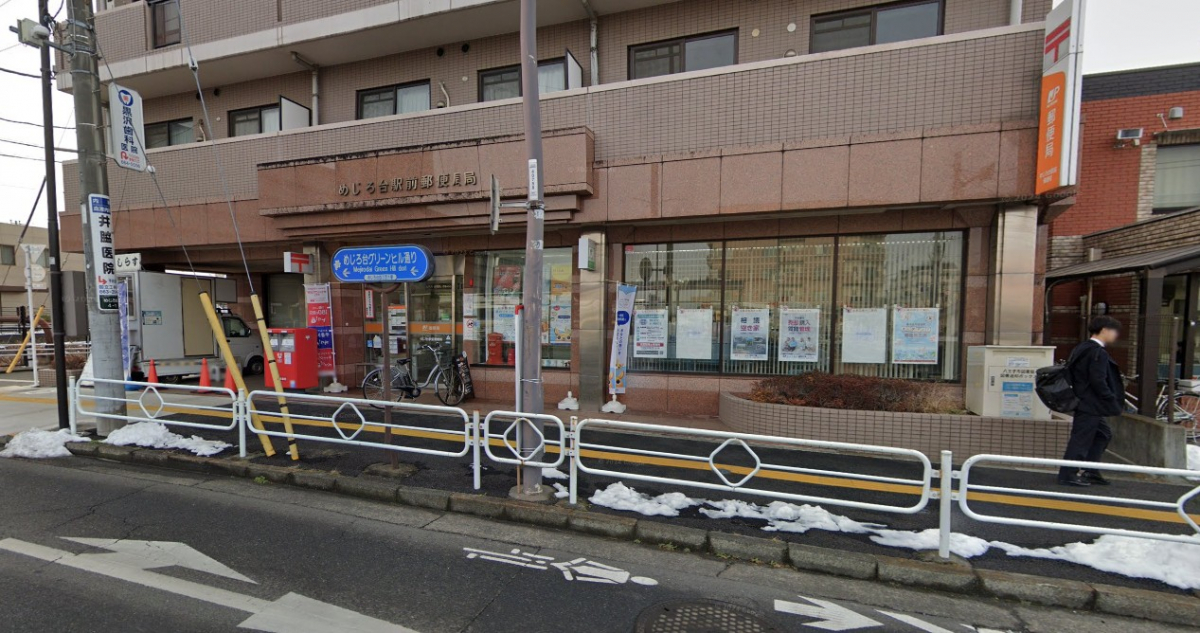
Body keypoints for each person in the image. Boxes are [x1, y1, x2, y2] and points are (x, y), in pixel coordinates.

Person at [1059, 316, 1124, 487]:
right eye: (1114, 331)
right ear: (1104, 330)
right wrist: (1110, 398)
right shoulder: (1097, 352)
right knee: (1081, 439)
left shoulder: (1082, 348)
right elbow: (1098, 380)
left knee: (1103, 434)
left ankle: (1091, 470)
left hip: (1084, 401)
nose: (1116, 335)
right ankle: (1068, 474)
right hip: (1091, 403)